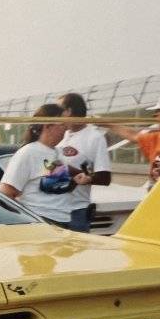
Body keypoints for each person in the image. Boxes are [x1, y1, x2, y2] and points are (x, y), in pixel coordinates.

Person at [0, 104, 91, 228]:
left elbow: (54, 188)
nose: (67, 127)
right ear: (48, 126)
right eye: (62, 123)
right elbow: (6, 193)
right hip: (40, 221)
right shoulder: (28, 153)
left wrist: (74, 181)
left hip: (63, 220)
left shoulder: (58, 152)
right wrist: (26, 220)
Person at [107, 93, 160, 187]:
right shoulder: (158, 136)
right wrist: (106, 124)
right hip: (155, 191)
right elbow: (133, 135)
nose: (155, 115)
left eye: (159, 111)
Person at [56, 93, 111, 232]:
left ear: (68, 111)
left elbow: (105, 177)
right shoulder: (61, 134)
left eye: (59, 111)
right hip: (54, 208)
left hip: (76, 212)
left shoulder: (95, 137)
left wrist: (87, 179)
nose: (56, 115)